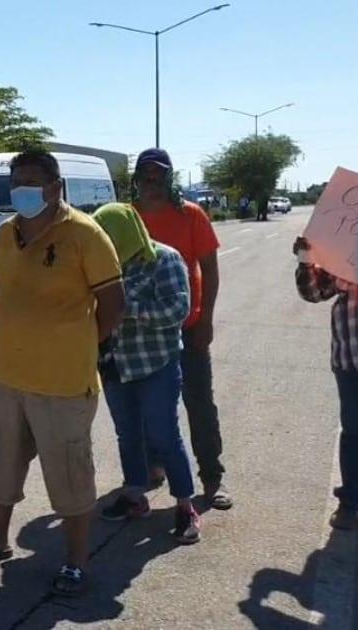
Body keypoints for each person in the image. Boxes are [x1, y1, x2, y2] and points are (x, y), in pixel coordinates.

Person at [0, 149, 125, 596]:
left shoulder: (86, 234)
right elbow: (6, 292)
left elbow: (113, 306)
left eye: (30, 181)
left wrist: (79, 346)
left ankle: (75, 562)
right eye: (15, 182)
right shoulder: (6, 234)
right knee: (1, 468)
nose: (21, 190)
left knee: (69, 476)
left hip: (62, 384)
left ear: (54, 186)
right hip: (3, 373)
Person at [91, 203, 201, 544]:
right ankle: (135, 495)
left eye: (107, 234)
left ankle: (185, 505)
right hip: (116, 364)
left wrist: (127, 310)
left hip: (156, 363)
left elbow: (177, 309)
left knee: (165, 435)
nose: (102, 242)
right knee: (128, 435)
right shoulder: (101, 265)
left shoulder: (164, 259)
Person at [132, 148, 233, 510]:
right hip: (144, 332)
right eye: (145, 176)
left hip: (188, 327)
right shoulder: (128, 218)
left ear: (170, 179)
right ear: (136, 180)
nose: (152, 183)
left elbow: (210, 268)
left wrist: (205, 319)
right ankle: (153, 467)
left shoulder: (191, 215)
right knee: (149, 407)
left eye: (159, 176)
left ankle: (211, 478)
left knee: (199, 402)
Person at [294, 236, 358, 530]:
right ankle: (350, 504)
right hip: (353, 356)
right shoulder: (343, 242)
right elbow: (313, 293)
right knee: (356, 431)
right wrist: (306, 258)